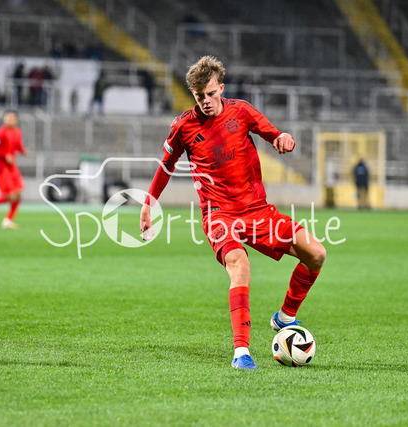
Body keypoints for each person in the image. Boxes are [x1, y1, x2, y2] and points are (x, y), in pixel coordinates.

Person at [139, 56, 326, 370]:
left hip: (257, 210)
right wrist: (148, 203)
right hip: (219, 216)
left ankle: (285, 317)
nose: (206, 101)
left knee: (317, 254)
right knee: (240, 265)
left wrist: (283, 138)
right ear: (193, 94)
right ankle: (241, 353)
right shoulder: (183, 126)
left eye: (211, 94)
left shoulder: (242, 111)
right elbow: (165, 166)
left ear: (221, 89)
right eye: (200, 96)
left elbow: (273, 134)